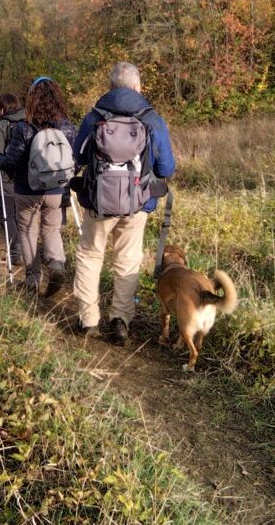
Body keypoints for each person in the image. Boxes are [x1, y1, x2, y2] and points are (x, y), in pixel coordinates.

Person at [71, 62, 175, 345]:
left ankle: (88, 320)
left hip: (98, 202)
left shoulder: (94, 117)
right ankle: (120, 320)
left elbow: (77, 158)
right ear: (138, 86)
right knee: (127, 259)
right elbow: (166, 168)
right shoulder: (152, 119)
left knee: (91, 255)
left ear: (110, 86)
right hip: (137, 203)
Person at [0, 78, 76, 295]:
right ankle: (56, 264)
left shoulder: (24, 127)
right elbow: (74, 160)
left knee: (28, 231)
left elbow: (11, 161)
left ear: (31, 100)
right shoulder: (67, 127)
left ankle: (32, 280)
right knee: (51, 229)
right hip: (56, 190)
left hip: (27, 189)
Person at [0, 93, 26, 265]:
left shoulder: (1, 125)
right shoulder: (28, 121)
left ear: (3, 108)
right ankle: (27, 249)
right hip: (25, 178)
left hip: (4, 177)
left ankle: (15, 251)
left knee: (7, 215)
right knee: (21, 215)